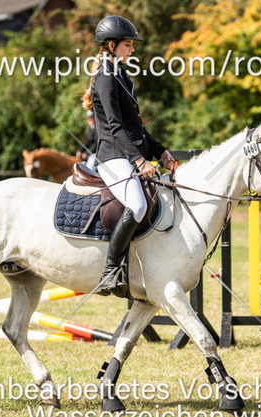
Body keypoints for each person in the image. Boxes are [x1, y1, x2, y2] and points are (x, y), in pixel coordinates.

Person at [82, 15, 175, 297]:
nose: (132, 49)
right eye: (128, 44)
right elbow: (114, 126)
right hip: (112, 157)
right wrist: (139, 160)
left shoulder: (121, 76)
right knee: (137, 206)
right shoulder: (105, 79)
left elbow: (136, 127)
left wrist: (160, 151)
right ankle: (110, 271)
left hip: (127, 153)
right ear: (111, 45)